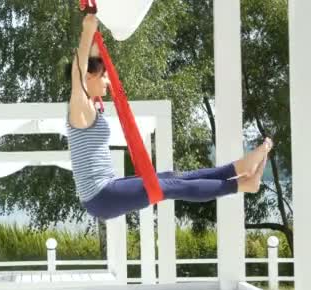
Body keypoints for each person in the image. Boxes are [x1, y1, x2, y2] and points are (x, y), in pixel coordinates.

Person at [65, 14, 272, 220]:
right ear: (89, 77)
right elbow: (79, 70)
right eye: (104, 75)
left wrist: (94, 26)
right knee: (171, 186)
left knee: (174, 177)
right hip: (101, 196)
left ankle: (238, 169)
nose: (109, 81)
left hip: (106, 192)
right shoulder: (79, 106)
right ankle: (242, 184)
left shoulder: (89, 105)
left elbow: (90, 61)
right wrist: (87, 31)